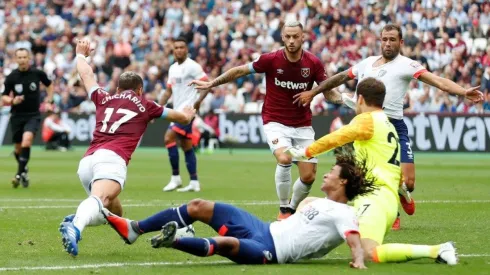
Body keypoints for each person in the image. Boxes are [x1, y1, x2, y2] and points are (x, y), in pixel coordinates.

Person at [292, 24, 484, 229]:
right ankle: (393, 212)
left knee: (408, 182)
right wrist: (314, 92)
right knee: (367, 174)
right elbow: (339, 77)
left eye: (392, 40)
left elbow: (438, 82)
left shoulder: (407, 65)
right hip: (368, 125)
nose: (388, 43)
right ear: (380, 41)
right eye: (384, 39)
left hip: (393, 126)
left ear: (400, 42)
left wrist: (463, 92)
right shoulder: (366, 64)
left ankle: (402, 192)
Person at [286, 77, 458, 265]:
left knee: (368, 253)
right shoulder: (388, 124)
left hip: (374, 200)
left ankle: (438, 250)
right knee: (309, 203)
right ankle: (284, 242)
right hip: (382, 200)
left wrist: (306, 151)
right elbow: (395, 172)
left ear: (360, 99)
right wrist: (406, 198)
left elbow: (338, 137)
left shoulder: (367, 120)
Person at [102, 151, 377, 268]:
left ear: (342, 181)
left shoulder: (344, 212)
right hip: (263, 228)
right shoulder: (317, 202)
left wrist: (359, 260)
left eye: (331, 172)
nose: (325, 175)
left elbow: (353, 238)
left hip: (273, 253)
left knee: (226, 243)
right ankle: (135, 228)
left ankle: (173, 240)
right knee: (199, 206)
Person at [190, 21, 342, 220]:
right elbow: (240, 71)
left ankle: (292, 209)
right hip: (275, 121)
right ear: (282, 37)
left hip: (302, 125)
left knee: (308, 176)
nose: (291, 40)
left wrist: (338, 98)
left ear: (303, 37)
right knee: (284, 157)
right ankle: (284, 209)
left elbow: (328, 91)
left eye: (296, 36)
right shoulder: (271, 59)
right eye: (287, 36)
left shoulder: (313, 63)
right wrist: (212, 83)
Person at [58, 39, 196, 257]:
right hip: (111, 159)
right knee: (101, 200)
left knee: (115, 211)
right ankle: (76, 225)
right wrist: (189, 112)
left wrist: (80, 55)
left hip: (88, 162)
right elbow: (181, 117)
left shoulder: (104, 97)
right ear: (140, 90)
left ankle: (118, 227)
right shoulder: (147, 105)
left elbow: (86, 75)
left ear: (118, 88)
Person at [159, 37, 210, 192]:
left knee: (168, 138)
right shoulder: (172, 68)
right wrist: (157, 108)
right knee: (186, 146)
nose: (179, 50)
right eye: (176, 48)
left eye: (182, 47)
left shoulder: (193, 66)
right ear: (173, 51)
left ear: (187, 49)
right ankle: (194, 182)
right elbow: (168, 91)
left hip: (187, 111)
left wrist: (198, 102)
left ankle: (176, 178)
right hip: (177, 110)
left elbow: (207, 84)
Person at [1, 48, 54, 188]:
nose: (22, 60)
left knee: (27, 140)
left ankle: (18, 175)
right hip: (17, 116)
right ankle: (24, 170)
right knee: (18, 149)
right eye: (19, 57)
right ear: (16, 59)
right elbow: (4, 96)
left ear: (29, 58)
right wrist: (13, 101)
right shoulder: (12, 76)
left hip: (33, 115)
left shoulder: (37, 73)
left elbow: (49, 85)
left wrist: (49, 100)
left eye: (25, 57)